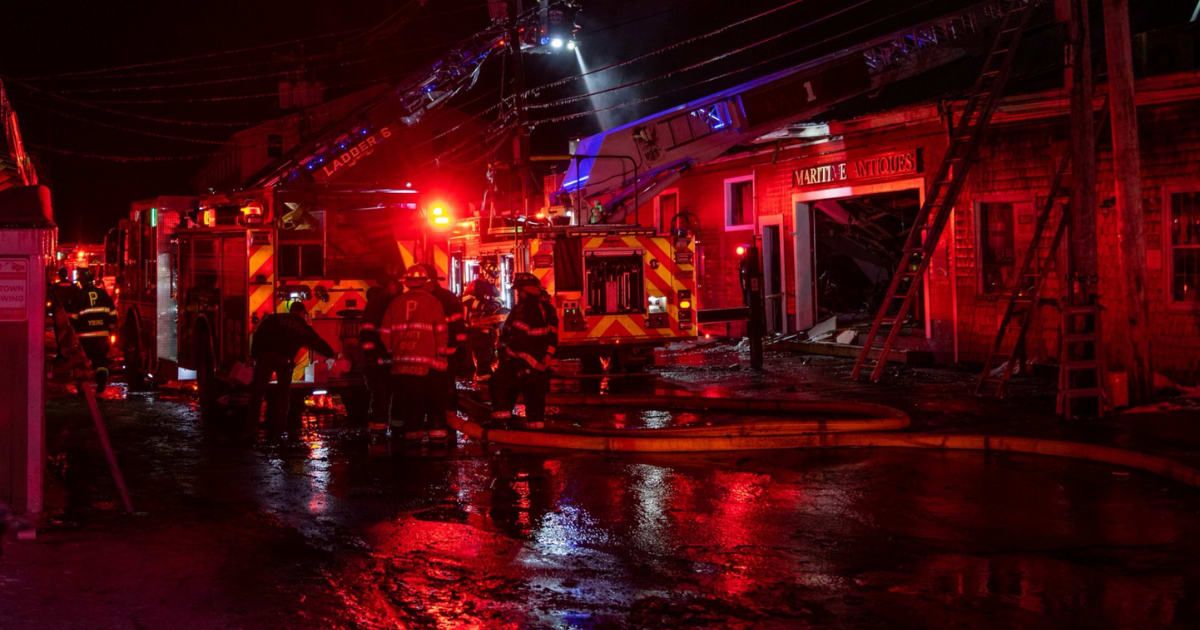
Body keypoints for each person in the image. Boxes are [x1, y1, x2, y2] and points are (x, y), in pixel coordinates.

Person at [380, 266, 452, 443]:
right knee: (434, 399)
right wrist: (441, 356)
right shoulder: (433, 302)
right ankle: (437, 432)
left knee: (410, 401)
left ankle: (412, 435)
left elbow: (385, 333)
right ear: (426, 283)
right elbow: (441, 331)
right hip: (428, 364)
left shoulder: (395, 303)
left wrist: (393, 352)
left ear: (406, 283)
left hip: (401, 364)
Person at [245, 302, 336, 439]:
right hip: (283, 359)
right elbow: (315, 341)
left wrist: (254, 356)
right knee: (283, 395)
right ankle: (279, 428)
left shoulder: (272, 318)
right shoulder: (299, 324)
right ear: (301, 313)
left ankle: (250, 427)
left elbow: (258, 334)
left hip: (265, 357)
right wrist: (331, 353)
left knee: (257, 393)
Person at [490, 273, 557, 429]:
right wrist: (545, 360)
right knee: (535, 402)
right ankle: (536, 433)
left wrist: (506, 353)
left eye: (519, 290)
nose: (518, 294)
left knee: (498, 384)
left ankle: (501, 426)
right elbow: (553, 338)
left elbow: (517, 341)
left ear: (525, 291)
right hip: (540, 366)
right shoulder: (549, 310)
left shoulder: (522, 310)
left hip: (519, 364)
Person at [66, 269, 117, 392]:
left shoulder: (79, 296)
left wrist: (74, 332)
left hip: (85, 337)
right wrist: (110, 329)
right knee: (100, 360)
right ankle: (101, 382)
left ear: (82, 282)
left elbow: (73, 318)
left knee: (83, 362)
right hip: (102, 336)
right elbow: (113, 314)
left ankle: (82, 387)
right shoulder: (103, 294)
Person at [358, 277, 398, 425]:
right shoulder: (394, 303)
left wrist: (371, 357)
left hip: (377, 359)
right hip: (391, 358)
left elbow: (366, 334)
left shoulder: (374, 306)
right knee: (394, 395)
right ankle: (395, 429)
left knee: (380, 395)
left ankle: (378, 430)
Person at [462, 264, 503, 380]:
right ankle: (482, 372)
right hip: (476, 324)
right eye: (490, 276)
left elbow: (499, 299)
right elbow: (466, 299)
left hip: (489, 325)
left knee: (489, 347)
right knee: (481, 348)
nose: (492, 279)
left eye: (494, 277)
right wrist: (482, 306)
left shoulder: (493, 287)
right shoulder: (475, 284)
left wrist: (495, 304)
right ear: (484, 273)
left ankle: (486, 372)